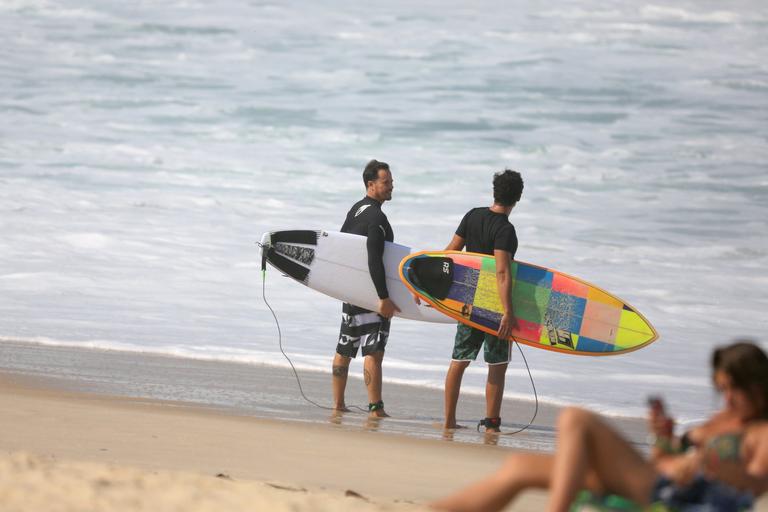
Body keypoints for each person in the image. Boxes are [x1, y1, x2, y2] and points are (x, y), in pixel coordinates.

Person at [430, 340, 768, 512]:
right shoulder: (724, 420)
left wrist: (712, 467)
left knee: (576, 420)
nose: (726, 399)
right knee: (521, 466)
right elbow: (662, 462)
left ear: (755, 388)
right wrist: (664, 442)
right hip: (656, 480)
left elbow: (753, 489)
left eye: (731, 390)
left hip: (676, 498)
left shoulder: (761, 432)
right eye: (721, 389)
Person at [440, 169, 524, 432]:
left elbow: (449, 252)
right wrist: (508, 312)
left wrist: (432, 288)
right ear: (517, 198)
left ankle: (449, 421)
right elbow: (501, 271)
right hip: (493, 306)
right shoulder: (505, 229)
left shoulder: (472, 215)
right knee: (496, 365)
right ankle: (491, 424)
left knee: (459, 359)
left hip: (467, 300)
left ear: (494, 191)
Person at [332, 159, 400, 418]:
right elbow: (374, 257)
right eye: (386, 182)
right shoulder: (376, 217)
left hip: (351, 291)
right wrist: (383, 297)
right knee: (373, 350)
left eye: (391, 181)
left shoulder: (357, 209)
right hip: (371, 293)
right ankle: (375, 408)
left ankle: (338, 404)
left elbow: (340, 246)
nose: (391, 186)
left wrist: (342, 285)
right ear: (371, 185)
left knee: (344, 347)